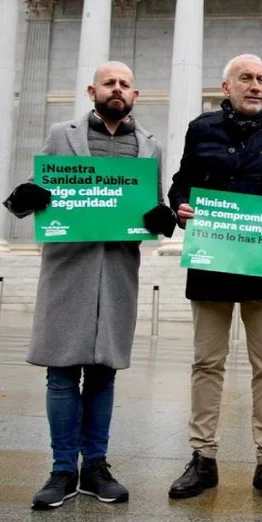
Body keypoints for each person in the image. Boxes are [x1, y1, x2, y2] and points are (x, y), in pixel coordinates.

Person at [3, 62, 176, 510]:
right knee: (61, 373)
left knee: (103, 371)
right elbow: (38, 192)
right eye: (108, 83)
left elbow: (154, 208)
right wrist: (24, 199)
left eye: (124, 84)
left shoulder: (149, 147)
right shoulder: (63, 135)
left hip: (117, 271)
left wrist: (165, 219)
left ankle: (96, 466)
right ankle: (62, 469)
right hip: (69, 269)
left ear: (135, 94)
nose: (116, 90)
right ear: (91, 90)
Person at [166, 54, 262, 502]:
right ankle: (202, 457)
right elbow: (180, 184)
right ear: (225, 86)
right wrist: (181, 208)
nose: (255, 86)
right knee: (206, 363)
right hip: (212, 262)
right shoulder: (201, 129)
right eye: (246, 78)